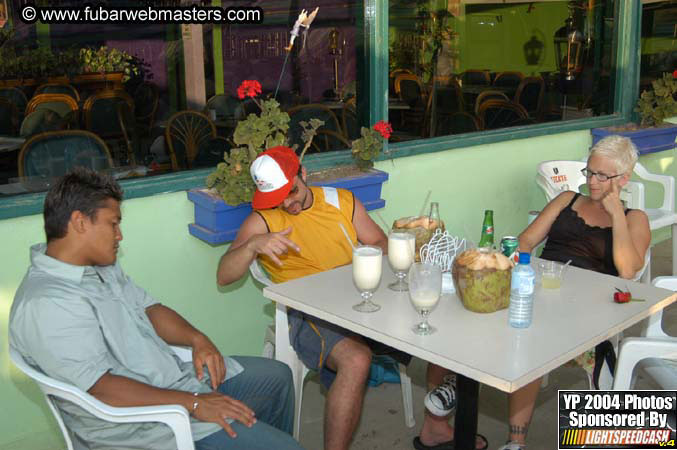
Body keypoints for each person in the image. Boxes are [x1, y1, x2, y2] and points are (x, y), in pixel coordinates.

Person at [9, 167, 304, 450]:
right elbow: (100, 388)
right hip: (143, 426)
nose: (119, 235)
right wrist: (195, 402)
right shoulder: (48, 303)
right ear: (80, 222)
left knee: (275, 376)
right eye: (113, 223)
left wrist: (197, 339)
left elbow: (150, 309)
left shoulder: (96, 267)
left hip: (170, 378)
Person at [421, 135, 651, 450]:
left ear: (623, 179)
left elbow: (628, 269)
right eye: (589, 172)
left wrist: (616, 217)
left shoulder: (634, 219)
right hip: (541, 286)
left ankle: (510, 436)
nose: (592, 181)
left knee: (528, 335)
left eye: (602, 176)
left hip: (586, 307)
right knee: (472, 306)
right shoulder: (567, 199)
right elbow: (527, 240)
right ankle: (459, 384)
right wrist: (519, 260)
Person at [217, 146, 408, 450]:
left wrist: (366, 261)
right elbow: (224, 275)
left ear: (303, 174)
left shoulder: (341, 202)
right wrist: (252, 245)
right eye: (278, 198)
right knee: (357, 360)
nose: (288, 203)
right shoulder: (263, 221)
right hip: (307, 313)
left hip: (358, 297)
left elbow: (378, 241)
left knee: (432, 322)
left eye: (292, 191)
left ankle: (436, 427)